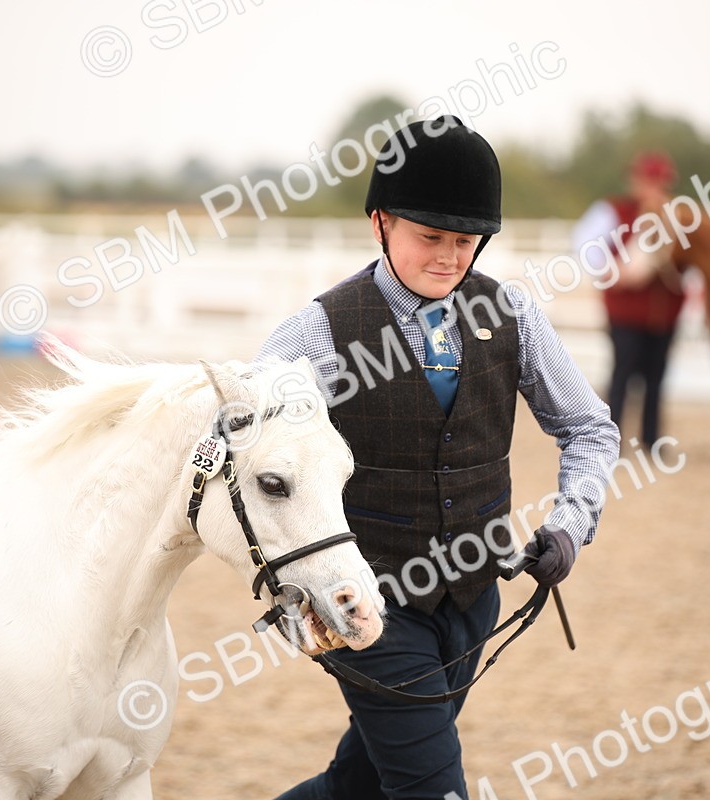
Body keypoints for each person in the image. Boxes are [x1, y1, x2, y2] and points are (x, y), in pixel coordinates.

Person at [255, 116, 620, 799]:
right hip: (366, 606)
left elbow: (589, 429)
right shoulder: (320, 332)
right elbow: (252, 453)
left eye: (465, 240)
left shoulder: (511, 312)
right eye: (431, 237)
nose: (451, 257)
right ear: (380, 223)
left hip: (474, 600)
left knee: (360, 783)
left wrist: (570, 523)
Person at [571, 151, 687, 450]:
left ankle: (651, 438)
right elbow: (584, 241)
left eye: (657, 181)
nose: (652, 187)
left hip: (665, 313)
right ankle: (614, 437)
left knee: (657, 375)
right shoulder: (615, 211)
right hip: (626, 311)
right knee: (623, 373)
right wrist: (611, 272)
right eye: (647, 179)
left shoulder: (676, 217)